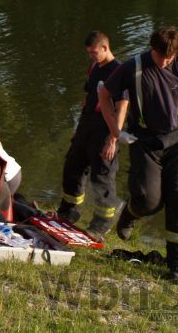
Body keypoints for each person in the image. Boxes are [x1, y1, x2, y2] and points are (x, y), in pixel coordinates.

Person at [99, 26, 178, 284]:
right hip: (145, 140)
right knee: (149, 200)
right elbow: (104, 93)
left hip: (177, 139)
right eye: (161, 57)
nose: (164, 62)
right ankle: (131, 212)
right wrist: (116, 131)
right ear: (152, 48)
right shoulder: (133, 67)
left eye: (169, 59)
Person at [56, 31, 128, 241]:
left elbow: (122, 107)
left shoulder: (119, 71)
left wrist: (113, 138)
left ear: (106, 48)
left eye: (94, 52)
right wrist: (78, 127)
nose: (91, 56)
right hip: (87, 125)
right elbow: (88, 97)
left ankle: (101, 224)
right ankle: (68, 213)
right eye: (89, 53)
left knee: (102, 177)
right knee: (73, 167)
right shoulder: (95, 67)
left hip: (106, 129)